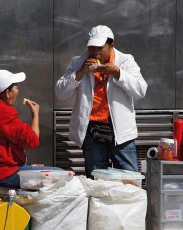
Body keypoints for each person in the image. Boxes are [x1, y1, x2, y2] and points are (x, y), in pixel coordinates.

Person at [55, 25, 148, 178]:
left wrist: (118, 73)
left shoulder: (125, 61)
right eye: (91, 48)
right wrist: (80, 74)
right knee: (96, 179)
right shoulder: (79, 62)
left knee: (129, 177)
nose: (95, 53)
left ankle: (129, 202)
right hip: (92, 129)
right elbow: (60, 93)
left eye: (100, 48)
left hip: (120, 131)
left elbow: (140, 90)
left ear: (111, 46)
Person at [0, 69, 60, 188]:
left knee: (41, 171)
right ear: (7, 93)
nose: (18, 90)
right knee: (60, 174)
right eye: (16, 87)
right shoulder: (1, 111)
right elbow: (32, 140)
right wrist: (35, 115)